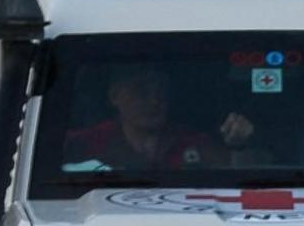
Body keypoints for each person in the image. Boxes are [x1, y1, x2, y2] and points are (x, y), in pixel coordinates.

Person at [64, 65, 249, 170]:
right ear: (114, 96)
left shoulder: (194, 143)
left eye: (161, 90)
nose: (154, 101)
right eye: (140, 90)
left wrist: (240, 144)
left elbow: (241, 174)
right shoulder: (83, 143)